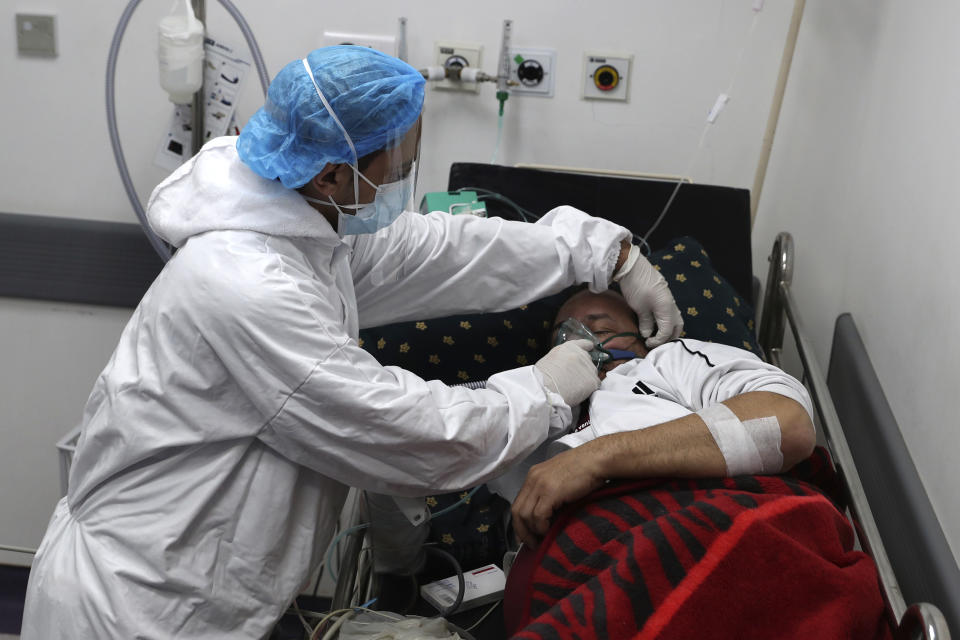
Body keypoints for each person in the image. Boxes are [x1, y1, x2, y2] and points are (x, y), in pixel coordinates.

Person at [21, 47, 683, 639]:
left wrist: (609, 251)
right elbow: (409, 435)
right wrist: (550, 385)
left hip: (195, 577)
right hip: (142, 607)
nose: (405, 181)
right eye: (398, 167)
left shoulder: (304, 219)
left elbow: (441, 250)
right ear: (333, 176)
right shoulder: (247, 285)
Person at [505, 289, 817, 548]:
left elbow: (787, 424)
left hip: (697, 523)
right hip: (580, 560)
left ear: (641, 339)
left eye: (600, 331)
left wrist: (597, 457)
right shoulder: (531, 409)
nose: (581, 345)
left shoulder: (669, 362)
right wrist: (538, 392)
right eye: (564, 339)